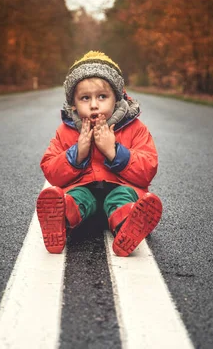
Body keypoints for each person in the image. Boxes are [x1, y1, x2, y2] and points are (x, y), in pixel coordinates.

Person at [36, 51, 162, 256]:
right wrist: (77, 154)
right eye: (85, 98)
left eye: (102, 96)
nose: (94, 105)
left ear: (117, 98)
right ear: (73, 104)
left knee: (122, 198)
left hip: (120, 190)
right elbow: (51, 171)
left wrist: (114, 152)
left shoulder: (135, 128)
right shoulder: (66, 131)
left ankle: (128, 227)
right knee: (75, 196)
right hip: (85, 197)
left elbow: (147, 169)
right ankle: (60, 220)